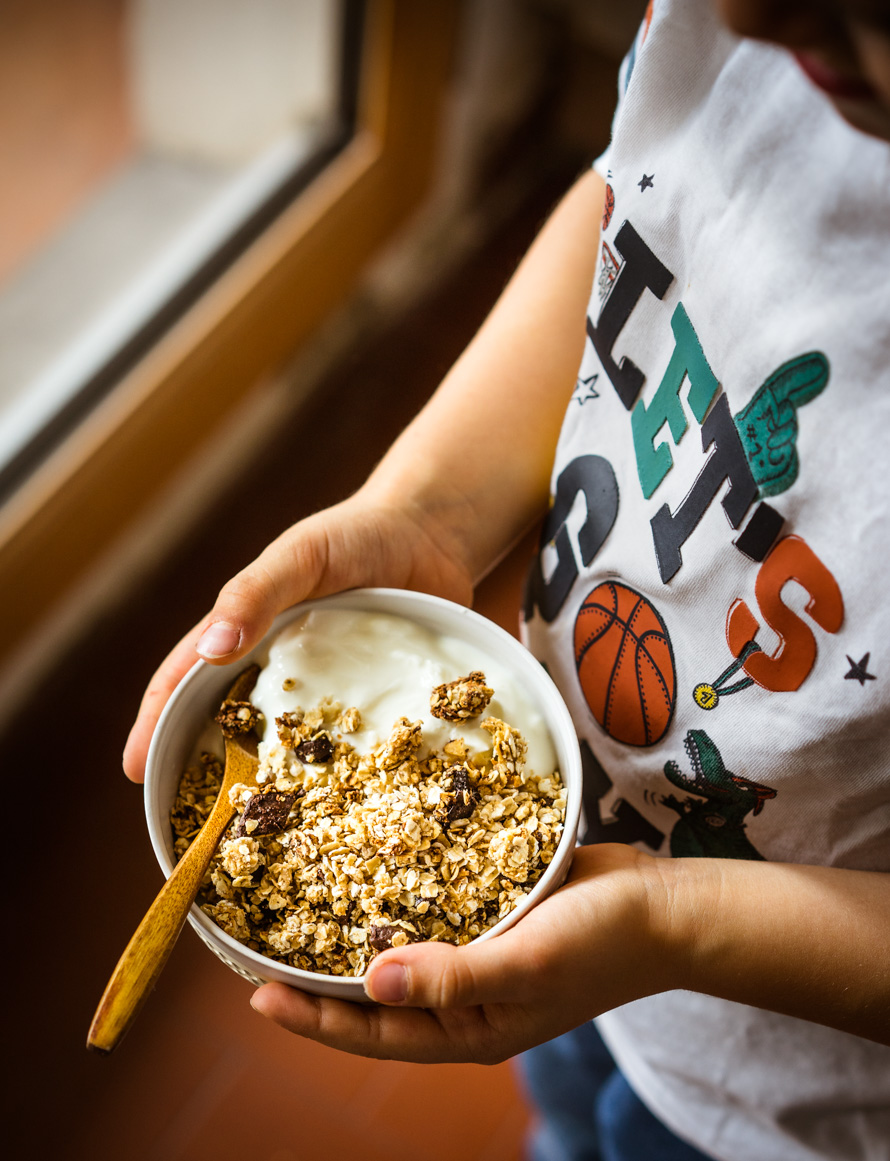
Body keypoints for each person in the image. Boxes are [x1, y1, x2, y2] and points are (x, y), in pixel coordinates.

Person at [123, 0, 890, 1157]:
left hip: (780, 1085)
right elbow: (633, 207)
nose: (750, 17)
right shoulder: (755, 34)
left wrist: (674, 925)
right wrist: (421, 509)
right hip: (568, 877)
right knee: (567, 1120)